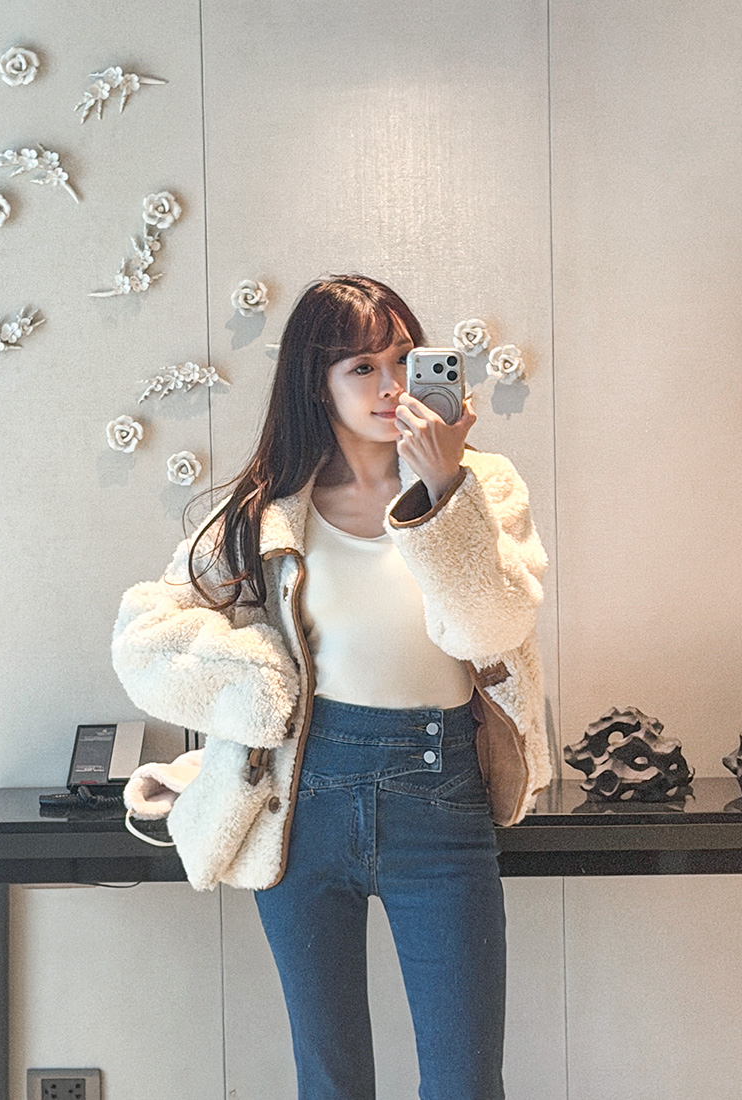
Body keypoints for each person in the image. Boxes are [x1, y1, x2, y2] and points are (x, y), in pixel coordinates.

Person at [112, 274, 551, 1100]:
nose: (392, 386)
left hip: (441, 796)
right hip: (303, 802)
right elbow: (147, 635)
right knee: (331, 1080)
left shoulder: (484, 486)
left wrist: (444, 491)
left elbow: (491, 628)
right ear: (317, 384)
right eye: (362, 367)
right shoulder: (268, 511)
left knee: (464, 1082)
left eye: (403, 359)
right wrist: (258, 681)